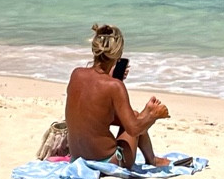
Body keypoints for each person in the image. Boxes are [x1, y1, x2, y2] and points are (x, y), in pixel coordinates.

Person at [64, 24, 172, 168]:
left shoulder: (76, 74)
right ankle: (152, 160)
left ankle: (152, 158)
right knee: (135, 122)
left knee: (133, 115)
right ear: (118, 54)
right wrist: (153, 115)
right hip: (107, 161)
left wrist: (114, 79)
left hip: (77, 157)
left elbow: (98, 112)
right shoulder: (114, 86)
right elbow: (133, 130)